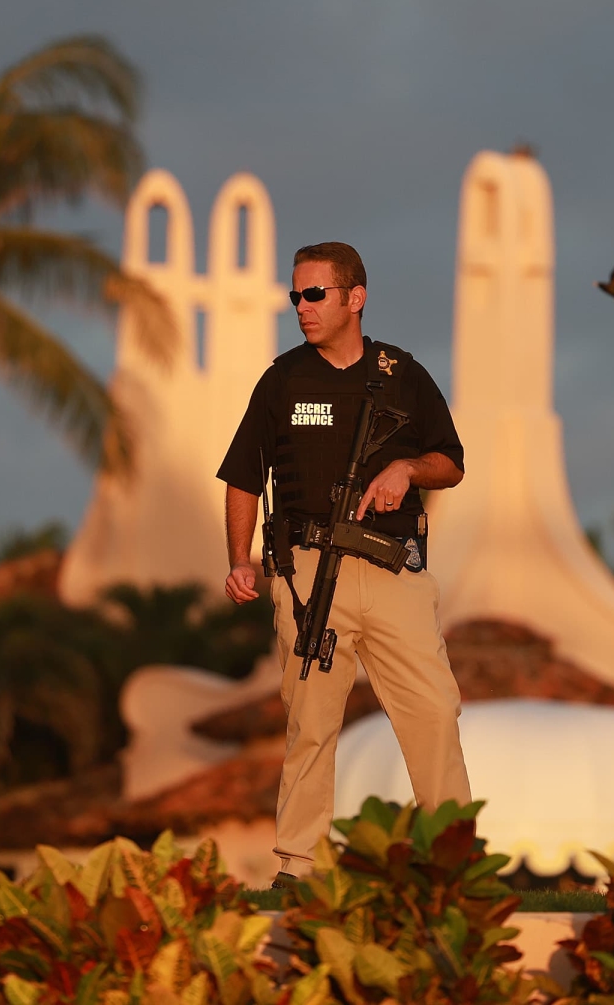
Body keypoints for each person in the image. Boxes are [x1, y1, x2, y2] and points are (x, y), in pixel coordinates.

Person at [217, 241, 472, 888]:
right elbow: (242, 478)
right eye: (295, 296)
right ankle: (297, 869)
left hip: (394, 575)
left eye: (314, 294)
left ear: (354, 298)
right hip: (308, 574)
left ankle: (452, 863)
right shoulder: (282, 381)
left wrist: (406, 467)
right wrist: (239, 561)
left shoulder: (403, 376)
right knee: (310, 724)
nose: (301, 307)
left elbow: (451, 461)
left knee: (435, 712)